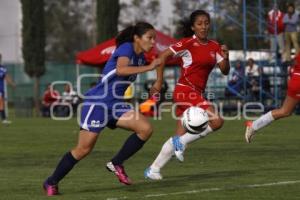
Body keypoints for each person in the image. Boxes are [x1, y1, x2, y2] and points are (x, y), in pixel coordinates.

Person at [43, 22, 161, 196]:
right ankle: (51, 182)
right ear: (137, 38)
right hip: (98, 103)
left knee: (145, 129)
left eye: (154, 39)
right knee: (83, 149)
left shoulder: (142, 58)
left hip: (116, 105)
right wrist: (150, 67)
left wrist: (157, 81)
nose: (153, 42)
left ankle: (117, 163)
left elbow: (161, 60)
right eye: (149, 38)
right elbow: (121, 70)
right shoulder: (127, 48)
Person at [144, 10, 230, 180]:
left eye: (206, 23)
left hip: (197, 93)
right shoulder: (187, 43)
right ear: (192, 27)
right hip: (184, 91)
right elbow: (162, 57)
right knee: (217, 121)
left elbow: (225, 71)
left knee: (178, 136)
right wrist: (159, 82)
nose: (204, 26)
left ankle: (153, 169)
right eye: (199, 23)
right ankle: (181, 143)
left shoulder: (215, 46)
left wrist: (226, 57)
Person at [245, 52, 300, 143]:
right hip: (297, 82)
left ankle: (254, 126)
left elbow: (292, 66)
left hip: (296, 80)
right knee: (285, 111)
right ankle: (254, 126)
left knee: (285, 111)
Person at [0, 53, 16, 124]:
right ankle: (4, 120)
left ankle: (4, 119)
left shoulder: (2, 68)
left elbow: (6, 77)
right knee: (1, 104)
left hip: (1, 90)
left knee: (1, 104)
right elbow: (7, 78)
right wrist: (12, 84)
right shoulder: (2, 68)